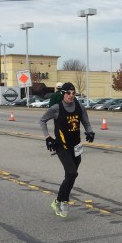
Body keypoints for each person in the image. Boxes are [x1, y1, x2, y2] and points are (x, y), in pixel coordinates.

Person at [39, 82, 94, 217]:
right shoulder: (56, 108)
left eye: (73, 93)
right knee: (72, 172)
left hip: (76, 146)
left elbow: (86, 122)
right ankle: (65, 201)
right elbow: (42, 120)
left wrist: (90, 132)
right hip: (62, 146)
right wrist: (47, 137)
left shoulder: (80, 107)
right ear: (63, 94)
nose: (71, 95)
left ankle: (58, 201)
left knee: (71, 175)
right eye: (68, 93)